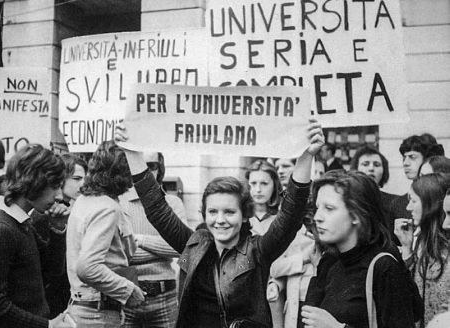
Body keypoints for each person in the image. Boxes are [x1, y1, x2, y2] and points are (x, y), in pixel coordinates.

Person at [117, 119, 324, 328]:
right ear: (204, 214)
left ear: (244, 215)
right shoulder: (193, 244)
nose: (220, 220)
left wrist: (306, 156)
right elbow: (157, 208)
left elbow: (291, 215)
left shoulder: (258, 250)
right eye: (213, 212)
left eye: (229, 212)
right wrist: (131, 152)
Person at [302, 170, 423, 328]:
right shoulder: (329, 260)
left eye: (329, 208)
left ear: (356, 215)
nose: (318, 216)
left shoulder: (384, 266)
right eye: (318, 208)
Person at [0, 144, 70, 328]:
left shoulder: (21, 224)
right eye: (55, 186)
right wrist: (47, 325)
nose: (59, 195)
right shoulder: (0, 230)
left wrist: (57, 228)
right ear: (35, 182)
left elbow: (51, 270)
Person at [65, 141, 145, 328]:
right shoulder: (107, 207)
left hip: (85, 306)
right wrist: (128, 290)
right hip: (97, 312)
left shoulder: (86, 200)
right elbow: (87, 267)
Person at [246, 160, 318, 328]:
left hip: (278, 292)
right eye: (253, 183)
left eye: (264, 183)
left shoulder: (284, 220)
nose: (258, 189)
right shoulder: (240, 219)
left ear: (275, 185)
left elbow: (295, 256)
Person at [121, 151, 187, 328]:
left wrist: (139, 239)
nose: (146, 171)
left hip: (165, 295)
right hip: (127, 293)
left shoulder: (173, 203)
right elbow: (122, 254)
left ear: (160, 169)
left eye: (151, 166)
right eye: (140, 165)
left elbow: (182, 248)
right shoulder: (118, 203)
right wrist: (160, 249)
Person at [31, 154, 88, 318]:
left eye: (85, 178)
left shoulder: (78, 209)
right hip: (51, 294)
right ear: (60, 179)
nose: (82, 184)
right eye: (76, 178)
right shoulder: (44, 213)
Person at [394, 173, 450, 327]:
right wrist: (406, 248)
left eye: (413, 200)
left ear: (430, 203)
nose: (408, 207)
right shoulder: (422, 244)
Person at [350, 145, 398, 233]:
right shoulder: (347, 200)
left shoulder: (395, 202)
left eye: (376, 165)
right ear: (355, 169)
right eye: (365, 164)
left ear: (384, 170)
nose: (371, 168)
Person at [390, 135, 439, 221]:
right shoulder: (399, 204)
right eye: (404, 158)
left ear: (426, 159)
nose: (405, 163)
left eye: (412, 157)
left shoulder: (441, 198)